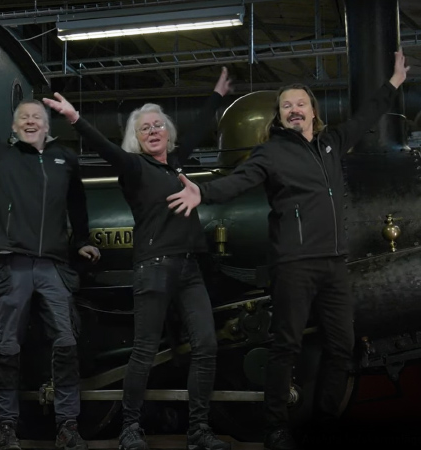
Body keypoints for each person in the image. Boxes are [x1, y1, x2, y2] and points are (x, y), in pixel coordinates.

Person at [166, 50, 410, 450]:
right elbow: (239, 180)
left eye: (300, 104)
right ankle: (276, 427)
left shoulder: (332, 143)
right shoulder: (270, 152)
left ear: (313, 111)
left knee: (341, 346)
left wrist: (394, 83)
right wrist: (202, 193)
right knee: (286, 346)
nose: (294, 110)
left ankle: (325, 422)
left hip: (334, 264)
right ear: (279, 117)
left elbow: (366, 116)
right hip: (293, 265)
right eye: (286, 106)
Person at [44, 67, 232, 450]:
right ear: (137, 137)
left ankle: (198, 429)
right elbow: (105, 148)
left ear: (167, 131)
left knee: (206, 346)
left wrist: (217, 94)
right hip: (154, 269)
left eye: (158, 125)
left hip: (189, 268)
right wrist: (76, 118)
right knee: (145, 350)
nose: (153, 130)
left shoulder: (175, 163)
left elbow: (197, 129)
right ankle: (130, 428)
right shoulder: (134, 167)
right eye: (144, 128)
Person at [0, 34, 101, 450]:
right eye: (23, 116)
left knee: (67, 343)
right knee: (6, 348)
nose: (30, 120)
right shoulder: (0, 155)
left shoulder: (64, 159)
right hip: (13, 264)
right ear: (14, 126)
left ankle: (67, 425)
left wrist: (83, 239)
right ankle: (6, 427)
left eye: (37, 116)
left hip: (54, 265)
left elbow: (78, 202)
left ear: (47, 124)